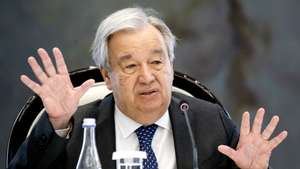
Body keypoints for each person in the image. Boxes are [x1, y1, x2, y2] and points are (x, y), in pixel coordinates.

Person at [9, 7, 287, 169]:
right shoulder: (77, 129)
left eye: (156, 61)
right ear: (107, 76)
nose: (147, 77)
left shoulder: (209, 122)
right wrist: (57, 124)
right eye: (130, 66)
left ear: (171, 64)